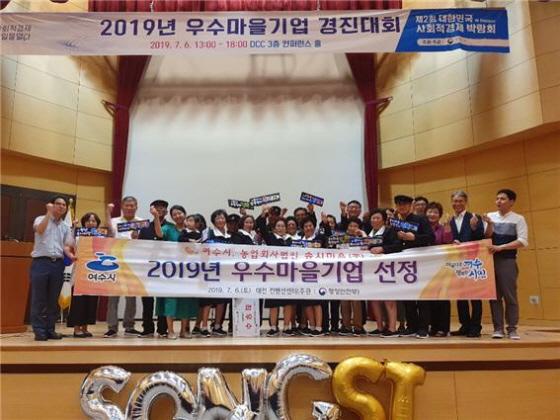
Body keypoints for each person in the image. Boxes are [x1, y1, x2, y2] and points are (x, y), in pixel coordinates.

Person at [29, 196, 75, 341]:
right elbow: (40, 230)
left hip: (58, 264)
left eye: (64, 205)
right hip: (41, 262)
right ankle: (39, 330)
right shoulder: (40, 219)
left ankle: (50, 329)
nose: (61, 206)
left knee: (53, 299)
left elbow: (66, 246)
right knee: (39, 299)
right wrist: (48, 213)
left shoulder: (65, 226)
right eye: (58, 204)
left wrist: (71, 255)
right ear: (51, 205)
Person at [486, 189, 528, 340]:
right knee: (494, 296)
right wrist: (489, 224)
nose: (498, 201)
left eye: (502, 199)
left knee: (510, 296)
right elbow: (486, 236)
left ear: (511, 202)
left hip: (507, 261)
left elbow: (523, 241)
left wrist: (501, 247)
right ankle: (498, 328)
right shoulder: (490, 216)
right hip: (490, 261)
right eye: (497, 198)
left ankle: (512, 329)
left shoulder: (518, 219)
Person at [392, 195, 435, 339]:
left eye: (405, 204)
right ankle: (411, 326)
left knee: (422, 296)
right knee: (407, 296)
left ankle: (423, 328)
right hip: (403, 263)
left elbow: (431, 237)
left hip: (420, 263)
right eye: (399, 204)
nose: (402, 207)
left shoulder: (420, 219)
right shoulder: (395, 222)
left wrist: (414, 237)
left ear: (411, 205)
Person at [67, 205, 114, 338]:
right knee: (78, 302)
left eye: (93, 221)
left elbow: (111, 239)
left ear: (97, 223)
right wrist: (73, 228)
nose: (91, 223)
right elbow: (69, 244)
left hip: (94, 273)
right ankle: (77, 329)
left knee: (91, 301)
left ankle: (85, 328)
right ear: (84, 223)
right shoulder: (77, 235)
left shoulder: (101, 237)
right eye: (88, 220)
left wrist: (108, 214)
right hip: (80, 273)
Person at [157, 205, 199, 339]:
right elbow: (159, 234)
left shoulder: (192, 230)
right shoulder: (168, 228)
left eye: (179, 213)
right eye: (174, 214)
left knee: (185, 300)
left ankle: (183, 330)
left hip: (187, 271)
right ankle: (170, 331)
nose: (177, 216)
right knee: (170, 300)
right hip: (170, 271)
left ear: (185, 214)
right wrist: (156, 217)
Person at [448, 190, 485, 338]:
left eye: (460, 201)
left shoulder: (474, 217)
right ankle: (465, 325)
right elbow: (447, 238)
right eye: (455, 201)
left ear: (465, 202)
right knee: (460, 295)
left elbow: (481, 237)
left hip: (473, 260)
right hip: (456, 262)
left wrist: (474, 228)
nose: (457, 204)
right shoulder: (450, 220)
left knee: (475, 296)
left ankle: (476, 327)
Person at [105, 196, 143, 338]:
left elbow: (145, 243)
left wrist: (137, 238)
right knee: (113, 297)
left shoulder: (142, 223)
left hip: (133, 263)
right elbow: (108, 237)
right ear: (122, 206)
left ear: (136, 206)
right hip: (115, 263)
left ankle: (129, 326)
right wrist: (107, 213)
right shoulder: (114, 221)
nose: (129, 208)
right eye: (127, 205)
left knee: (131, 297)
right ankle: (112, 327)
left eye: (132, 205)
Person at [258, 213, 294, 336]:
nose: (280, 228)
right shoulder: (271, 238)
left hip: (289, 275)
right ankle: (273, 327)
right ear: (274, 228)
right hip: (273, 276)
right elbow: (262, 228)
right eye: (278, 226)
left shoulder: (292, 240)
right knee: (274, 303)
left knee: (288, 303)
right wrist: (263, 215)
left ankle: (287, 326)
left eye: (283, 226)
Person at [367, 208, 402, 338]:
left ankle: (392, 328)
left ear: (383, 220)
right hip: (371, 271)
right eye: (373, 218)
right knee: (374, 299)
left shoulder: (390, 231)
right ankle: (380, 327)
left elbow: (398, 246)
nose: (375, 220)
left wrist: (382, 249)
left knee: (389, 298)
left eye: (378, 218)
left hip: (387, 269)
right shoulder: (369, 233)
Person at [138, 199, 170, 338]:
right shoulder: (144, 226)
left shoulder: (171, 227)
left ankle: (162, 329)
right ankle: (147, 328)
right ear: (152, 210)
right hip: (147, 268)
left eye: (163, 208)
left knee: (162, 300)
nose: (160, 210)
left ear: (166, 211)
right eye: (157, 208)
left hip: (165, 269)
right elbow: (138, 246)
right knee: (147, 300)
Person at [200, 209, 231, 337]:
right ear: (213, 221)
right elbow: (203, 247)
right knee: (207, 300)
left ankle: (217, 326)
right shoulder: (208, 232)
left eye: (222, 218)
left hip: (224, 272)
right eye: (218, 218)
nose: (220, 220)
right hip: (210, 270)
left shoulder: (229, 235)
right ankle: (204, 327)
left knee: (221, 300)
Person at [425, 202, 454, 337]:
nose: (432, 214)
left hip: (441, 267)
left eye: (435, 212)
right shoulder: (421, 228)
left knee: (442, 297)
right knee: (429, 298)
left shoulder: (443, 228)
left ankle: (443, 328)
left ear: (440, 215)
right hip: (425, 267)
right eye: (430, 211)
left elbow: (448, 241)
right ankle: (433, 326)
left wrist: (447, 227)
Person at [339, 217, 368, 337]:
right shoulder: (343, 239)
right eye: (350, 226)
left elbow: (368, 246)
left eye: (355, 226)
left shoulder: (362, 239)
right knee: (344, 301)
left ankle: (358, 326)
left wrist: (362, 234)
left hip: (357, 273)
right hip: (343, 273)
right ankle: (346, 326)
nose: (352, 228)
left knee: (357, 301)